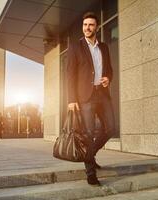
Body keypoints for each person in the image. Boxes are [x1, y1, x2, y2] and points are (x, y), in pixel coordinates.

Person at [67, 12, 115, 186]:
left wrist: (108, 78)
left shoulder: (103, 47)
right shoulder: (75, 47)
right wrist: (71, 99)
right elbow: (70, 75)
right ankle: (90, 172)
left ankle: (89, 154)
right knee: (88, 134)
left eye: (91, 25)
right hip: (85, 97)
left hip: (102, 94)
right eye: (85, 25)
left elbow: (109, 69)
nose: (87, 28)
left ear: (97, 27)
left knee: (110, 128)